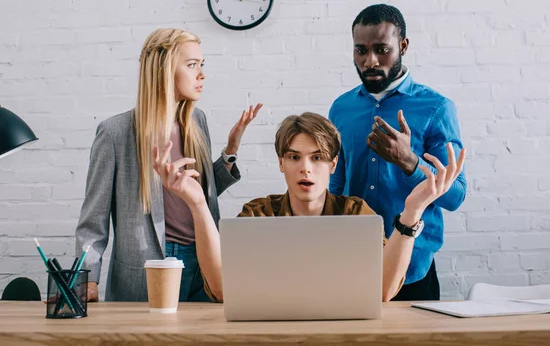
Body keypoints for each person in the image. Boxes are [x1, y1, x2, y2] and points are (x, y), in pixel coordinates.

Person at [154, 112, 465, 302]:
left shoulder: (355, 213)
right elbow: (221, 290)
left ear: (332, 165)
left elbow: (384, 292)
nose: (305, 168)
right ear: (280, 163)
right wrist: (196, 203)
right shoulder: (258, 215)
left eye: (316, 158)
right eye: (294, 157)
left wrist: (413, 210)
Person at [75, 28, 261, 302]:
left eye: (202, 64)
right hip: (148, 267)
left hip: (203, 259)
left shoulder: (197, 122)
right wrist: (87, 279)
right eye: (192, 65)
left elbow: (199, 194)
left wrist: (230, 152)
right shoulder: (115, 133)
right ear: (163, 70)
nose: (202, 74)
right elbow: (93, 221)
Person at [328, 4, 467, 301]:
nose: (370, 61)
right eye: (361, 51)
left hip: (413, 270)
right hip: (350, 264)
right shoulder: (341, 109)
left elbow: (455, 196)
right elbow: (336, 187)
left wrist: (409, 162)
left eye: (382, 49)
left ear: (403, 46)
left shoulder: (436, 108)